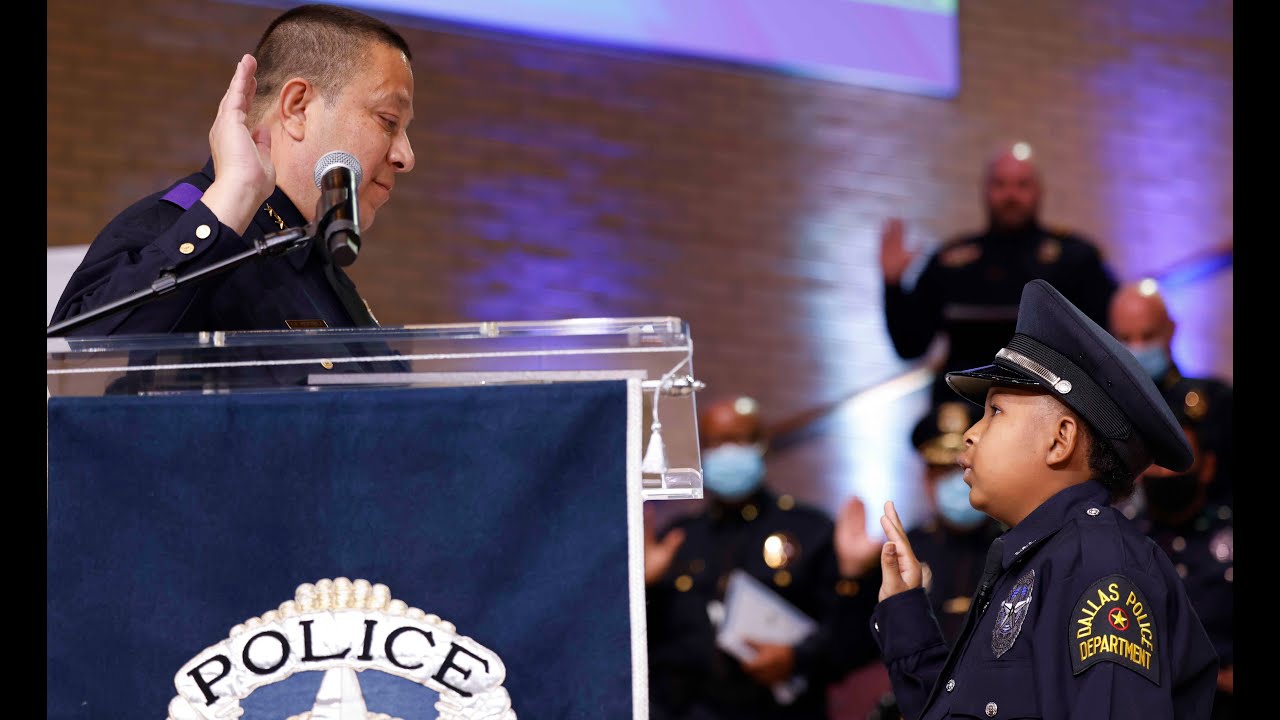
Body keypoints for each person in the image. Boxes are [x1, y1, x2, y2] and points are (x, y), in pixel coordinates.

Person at [840, 279, 1218, 719]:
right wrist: (905, 609)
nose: (970, 433)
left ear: (1060, 441)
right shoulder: (1040, 559)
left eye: (995, 412)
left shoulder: (1099, 568)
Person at [49, 3, 416, 336]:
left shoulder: (317, 264)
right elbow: (76, 363)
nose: (406, 156)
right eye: (388, 120)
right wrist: (234, 196)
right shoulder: (165, 224)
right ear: (298, 108)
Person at [644, 395, 882, 720]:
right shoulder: (679, 538)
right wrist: (645, 587)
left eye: (738, 440)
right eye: (715, 443)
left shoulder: (811, 531)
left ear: (762, 443)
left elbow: (852, 642)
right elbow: (648, 650)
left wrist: (796, 658)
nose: (726, 453)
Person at [880, 145, 1118, 406]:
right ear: (985, 191)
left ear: (1038, 192)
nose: (1010, 195)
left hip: (1046, 406)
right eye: (1000, 184)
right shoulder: (951, 264)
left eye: (1022, 185)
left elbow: (1111, 342)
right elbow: (909, 345)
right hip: (964, 410)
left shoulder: (1074, 260)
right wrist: (893, 286)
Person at [1132, 396, 1233, 719]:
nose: (1166, 473)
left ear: (1208, 466)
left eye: (1180, 459)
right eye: (1157, 460)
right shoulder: (1120, 539)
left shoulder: (1226, 537)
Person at [1108, 278, 1234, 508]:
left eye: (1147, 336)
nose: (1137, 347)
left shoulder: (1215, 400)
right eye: (1125, 339)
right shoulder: (1104, 407)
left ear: (1171, 329)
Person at [902, 400, 1005, 648]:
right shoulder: (909, 550)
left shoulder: (1016, 546)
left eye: (964, 468)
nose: (959, 482)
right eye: (943, 471)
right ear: (927, 479)